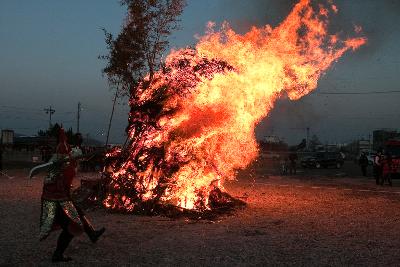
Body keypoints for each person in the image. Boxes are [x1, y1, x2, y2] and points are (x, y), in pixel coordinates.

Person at [39, 129, 105, 262]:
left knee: (79, 214)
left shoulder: (61, 164)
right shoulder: (62, 168)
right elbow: (58, 184)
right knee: (71, 226)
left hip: (61, 199)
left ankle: (91, 234)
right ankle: (58, 254)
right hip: (57, 201)